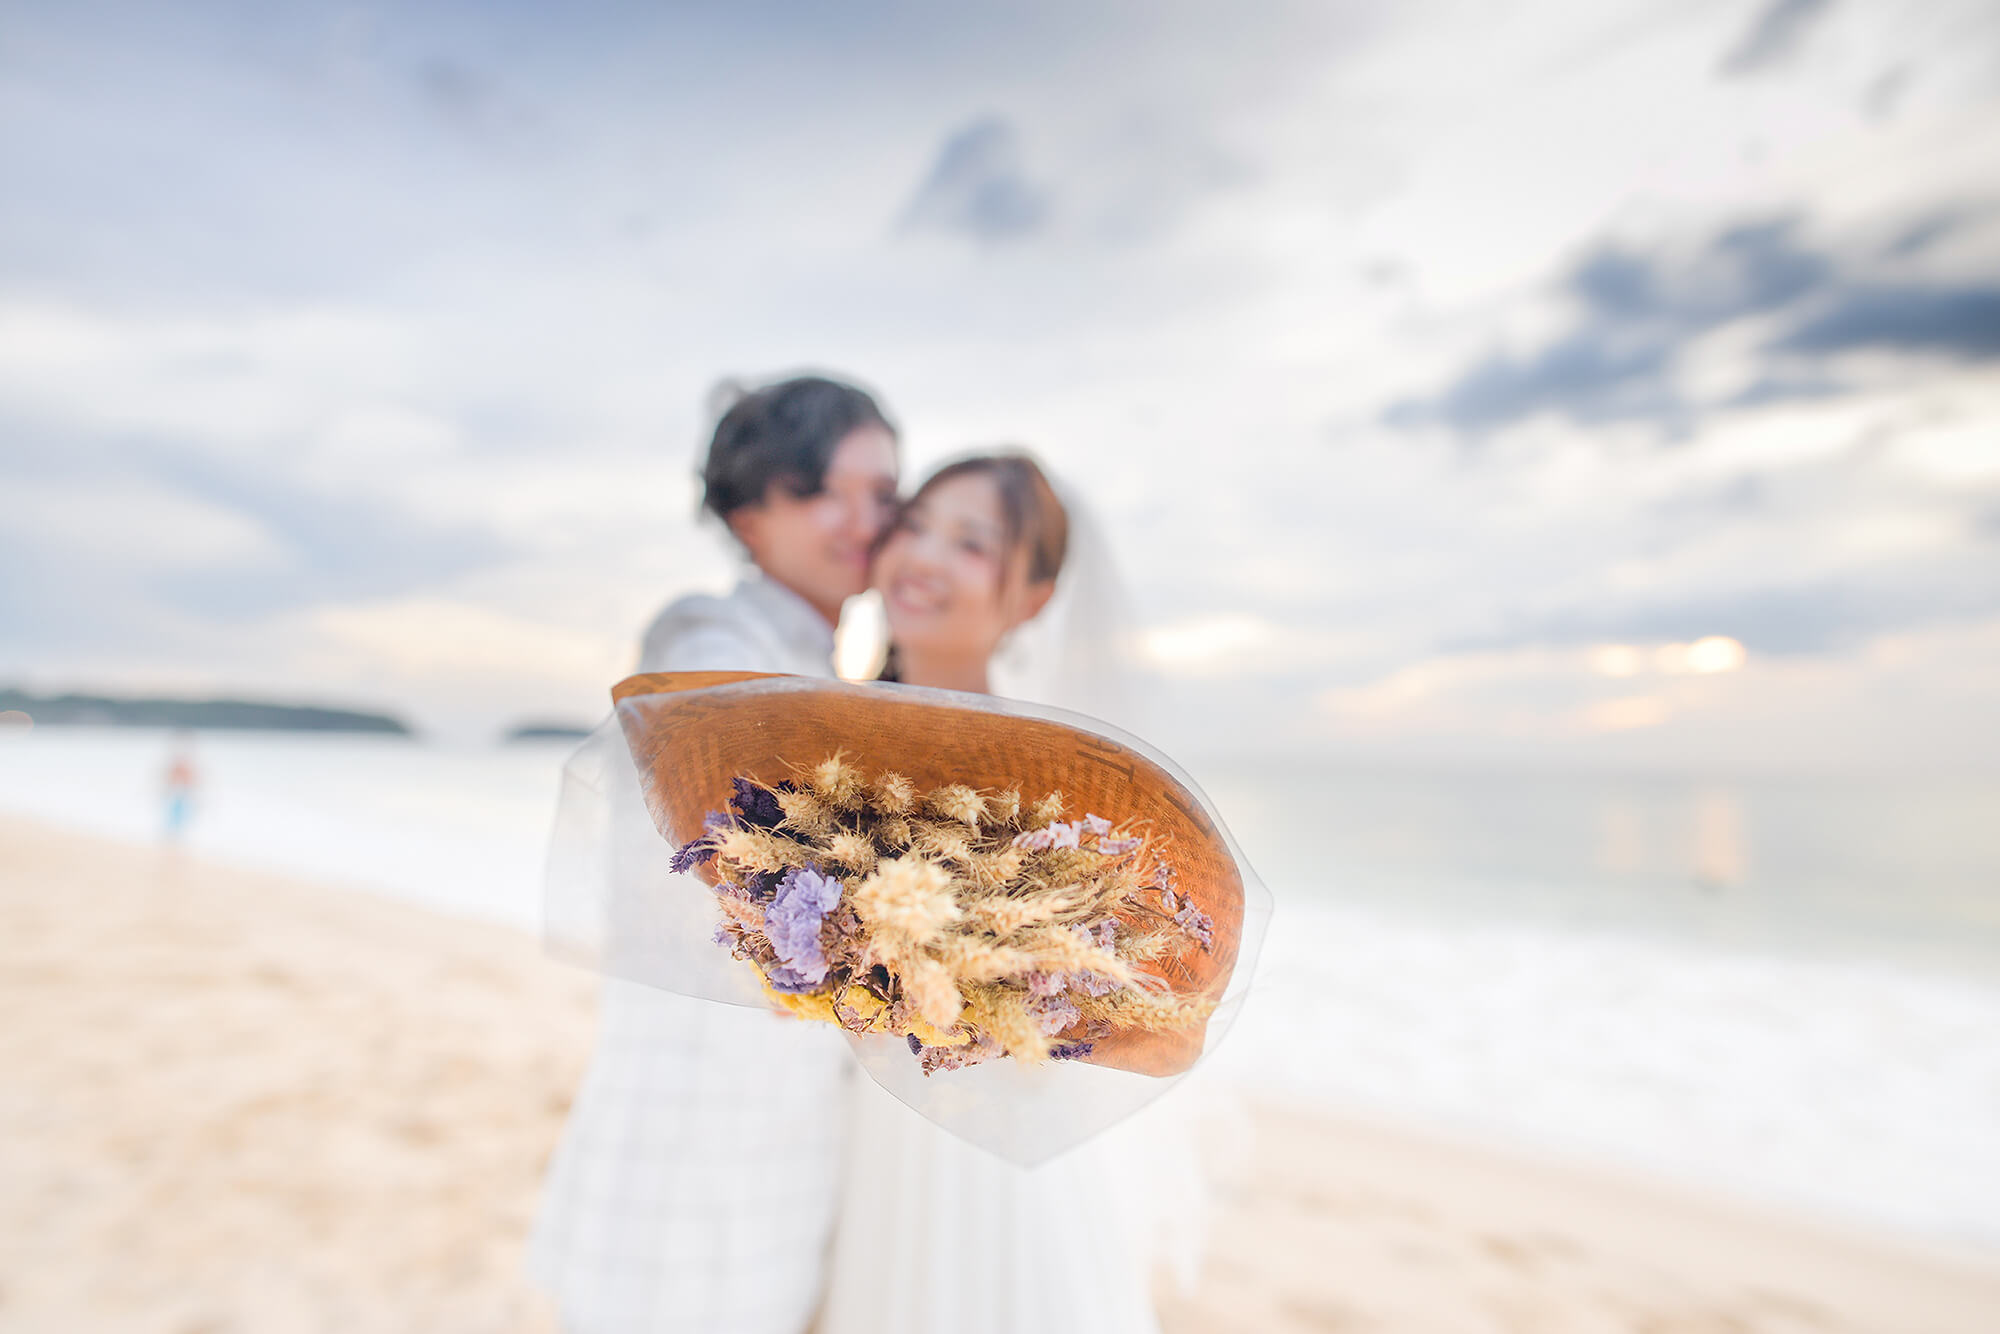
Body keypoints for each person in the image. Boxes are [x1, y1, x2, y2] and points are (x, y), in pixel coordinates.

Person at [528, 374, 900, 1334]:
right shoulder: (702, 630)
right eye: (827, 490)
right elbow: (745, 760)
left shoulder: (834, 669)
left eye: (884, 494)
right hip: (696, 1098)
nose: (865, 519)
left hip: (795, 1106)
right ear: (749, 512)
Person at [816, 452, 1178, 1334]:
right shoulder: (810, 742)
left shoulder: (1056, 771)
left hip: (993, 1112)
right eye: (916, 525)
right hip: (855, 1110)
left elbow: (1107, 973)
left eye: (970, 543)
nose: (924, 558)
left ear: (1034, 598)